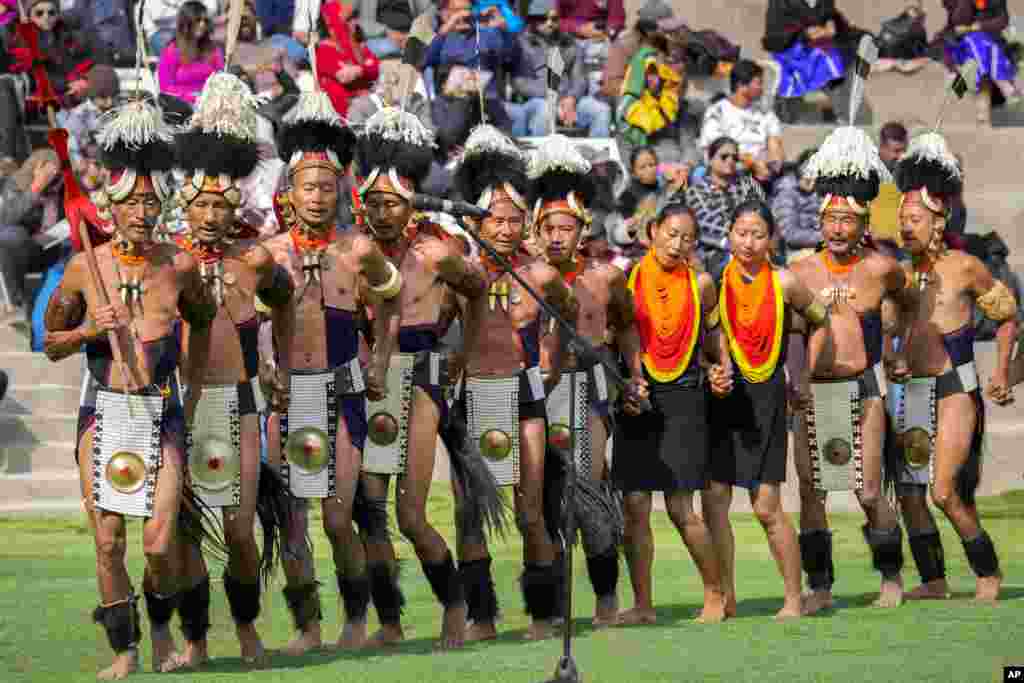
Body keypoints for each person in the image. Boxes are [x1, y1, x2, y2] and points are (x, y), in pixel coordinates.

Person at [42, 95, 218, 679]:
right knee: (110, 542)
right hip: (104, 411)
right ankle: (124, 648)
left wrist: (191, 385)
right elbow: (51, 342)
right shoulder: (82, 267)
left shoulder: (180, 264)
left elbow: (204, 316)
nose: (142, 212)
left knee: (161, 542)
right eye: (132, 202)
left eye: (150, 201)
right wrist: (93, 327)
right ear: (110, 208)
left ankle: (173, 626)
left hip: (160, 410)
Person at [262, 84, 404, 654]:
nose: (318, 196)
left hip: (344, 391)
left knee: (338, 516)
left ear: (339, 191)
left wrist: (382, 358)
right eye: (307, 187)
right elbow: (245, 319)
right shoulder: (268, 253)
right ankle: (306, 626)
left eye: (327, 187)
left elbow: (390, 300)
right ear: (290, 194)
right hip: (289, 396)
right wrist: (266, 367)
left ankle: (356, 617)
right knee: (292, 520)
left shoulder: (359, 249)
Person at [352, 112, 499, 650]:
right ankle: (388, 623)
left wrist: (464, 350)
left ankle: (456, 608)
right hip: (373, 378)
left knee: (410, 514)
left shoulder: (438, 254)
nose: (382, 213)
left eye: (392, 203)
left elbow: (479, 291)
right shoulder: (359, 254)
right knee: (368, 507)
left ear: (412, 204)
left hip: (426, 378)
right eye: (374, 204)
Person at [166, 70, 296, 668]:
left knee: (241, 529)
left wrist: (281, 364)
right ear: (185, 206)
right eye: (203, 204)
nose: (213, 215)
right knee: (187, 529)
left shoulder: (255, 260)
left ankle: (246, 630)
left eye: (223, 204)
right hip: (181, 405)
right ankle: (194, 640)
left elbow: (288, 303)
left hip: (241, 401)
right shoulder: (166, 262)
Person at [451, 133, 577, 642]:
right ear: (477, 220)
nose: (504, 229)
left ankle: (543, 616)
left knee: (529, 508)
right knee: (471, 512)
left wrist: (555, 355)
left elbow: (568, 314)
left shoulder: (541, 275)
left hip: (525, 393)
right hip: (471, 391)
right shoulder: (459, 271)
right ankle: (481, 618)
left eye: (513, 219)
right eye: (495, 219)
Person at [787, 126, 916, 615]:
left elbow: (909, 302)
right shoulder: (800, 271)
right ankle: (820, 586)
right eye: (831, 220)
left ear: (862, 222)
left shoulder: (881, 268)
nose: (838, 229)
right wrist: (794, 382)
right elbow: (794, 335)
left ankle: (891, 574)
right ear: (821, 221)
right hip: (813, 391)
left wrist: (895, 347)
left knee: (865, 489)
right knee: (812, 491)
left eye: (847, 220)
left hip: (863, 388)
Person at [892, 131, 1016, 602]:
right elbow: (890, 336)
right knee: (909, 493)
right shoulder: (898, 274)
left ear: (938, 221)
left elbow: (1007, 318)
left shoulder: (966, 267)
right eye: (902, 218)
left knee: (943, 491)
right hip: (913, 390)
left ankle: (987, 573)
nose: (906, 226)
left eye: (915, 218)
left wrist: (1002, 370)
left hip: (955, 389)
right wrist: (894, 358)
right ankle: (934, 580)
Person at [531, 134, 644, 627]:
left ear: (583, 230)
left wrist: (635, 375)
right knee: (546, 497)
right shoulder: (525, 275)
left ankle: (605, 595)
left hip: (591, 387)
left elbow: (627, 325)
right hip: (540, 390)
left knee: (588, 486)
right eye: (549, 228)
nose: (557, 237)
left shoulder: (607, 277)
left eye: (566, 228)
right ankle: (552, 606)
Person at [703, 198, 830, 620]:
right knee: (716, 498)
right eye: (741, 232)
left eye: (758, 233)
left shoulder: (786, 282)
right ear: (729, 235)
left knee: (765, 506)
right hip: (723, 396)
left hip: (768, 396)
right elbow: (705, 336)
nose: (749, 242)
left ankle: (794, 599)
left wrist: (805, 374)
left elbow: (820, 320)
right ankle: (725, 598)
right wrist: (712, 369)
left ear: (771, 238)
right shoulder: (714, 281)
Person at [613, 199, 725, 625]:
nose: (677, 244)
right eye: (671, 233)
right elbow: (624, 331)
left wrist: (722, 368)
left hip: (684, 396)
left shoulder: (701, 284)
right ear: (653, 230)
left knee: (681, 507)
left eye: (687, 238)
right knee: (636, 504)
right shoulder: (626, 279)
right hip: (638, 396)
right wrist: (632, 379)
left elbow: (715, 334)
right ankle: (643, 605)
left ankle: (715, 594)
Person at [424, 0, 526, 157]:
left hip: (486, 104)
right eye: (457, 10)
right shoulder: (441, 38)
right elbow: (423, 60)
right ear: (444, 13)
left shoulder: (487, 35)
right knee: (458, 109)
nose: (464, 15)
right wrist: (446, 28)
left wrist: (504, 29)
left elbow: (511, 56)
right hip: (450, 107)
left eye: (467, 10)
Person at [0, 0, 92, 160]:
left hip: (63, 97)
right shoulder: (20, 35)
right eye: (39, 13)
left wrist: (76, 80)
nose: (46, 17)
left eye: (51, 12)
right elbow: (31, 71)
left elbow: (73, 67)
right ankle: (7, 156)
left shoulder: (65, 35)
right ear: (29, 14)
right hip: (33, 95)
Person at [761, 0, 862, 121]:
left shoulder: (825, 3)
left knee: (843, 63)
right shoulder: (781, 3)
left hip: (823, 52)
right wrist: (806, 34)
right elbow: (775, 35)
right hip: (790, 52)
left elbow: (836, 23)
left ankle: (843, 118)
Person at [698, 61, 784, 185]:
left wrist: (772, 166)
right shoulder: (717, 112)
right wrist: (752, 163)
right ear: (741, 85)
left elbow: (775, 147)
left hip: (761, 171)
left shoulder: (766, 114)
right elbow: (720, 151)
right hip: (729, 170)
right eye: (758, 83)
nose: (762, 88)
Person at [935, 0, 1022, 123]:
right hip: (961, 44)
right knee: (977, 42)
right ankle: (1004, 84)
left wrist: (979, 26)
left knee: (983, 47)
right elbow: (957, 23)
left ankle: (979, 104)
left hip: (988, 41)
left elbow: (1002, 21)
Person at [686, 136, 764, 273]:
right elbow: (708, 224)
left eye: (734, 158)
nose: (730, 161)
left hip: (750, 245)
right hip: (714, 251)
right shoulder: (697, 191)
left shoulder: (746, 185)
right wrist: (745, 235)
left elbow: (762, 214)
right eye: (724, 156)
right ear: (710, 160)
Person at [317, 1, 380, 118]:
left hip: (363, 102)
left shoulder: (357, 45)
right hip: (343, 113)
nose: (355, 23)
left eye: (354, 17)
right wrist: (363, 70)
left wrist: (360, 70)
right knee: (366, 104)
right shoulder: (325, 49)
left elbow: (375, 69)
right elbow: (344, 76)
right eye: (349, 19)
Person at [158, 1, 225, 106]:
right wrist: (193, 98)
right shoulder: (171, 51)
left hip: (211, 104)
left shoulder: (213, 49)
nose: (202, 25)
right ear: (186, 22)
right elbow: (166, 89)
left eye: (205, 21)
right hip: (182, 108)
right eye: (198, 20)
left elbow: (221, 79)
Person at [771, 147, 820, 260]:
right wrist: (826, 237)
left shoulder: (823, 189)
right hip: (796, 253)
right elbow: (789, 234)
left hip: (823, 249)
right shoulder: (786, 191)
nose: (809, 175)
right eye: (805, 169)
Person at [355, 0, 434, 59]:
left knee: (430, 50)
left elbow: (429, 9)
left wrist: (413, 35)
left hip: (411, 35)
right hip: (381, 37)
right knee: (383, 48)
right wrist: (386, 31)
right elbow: (361, 22)